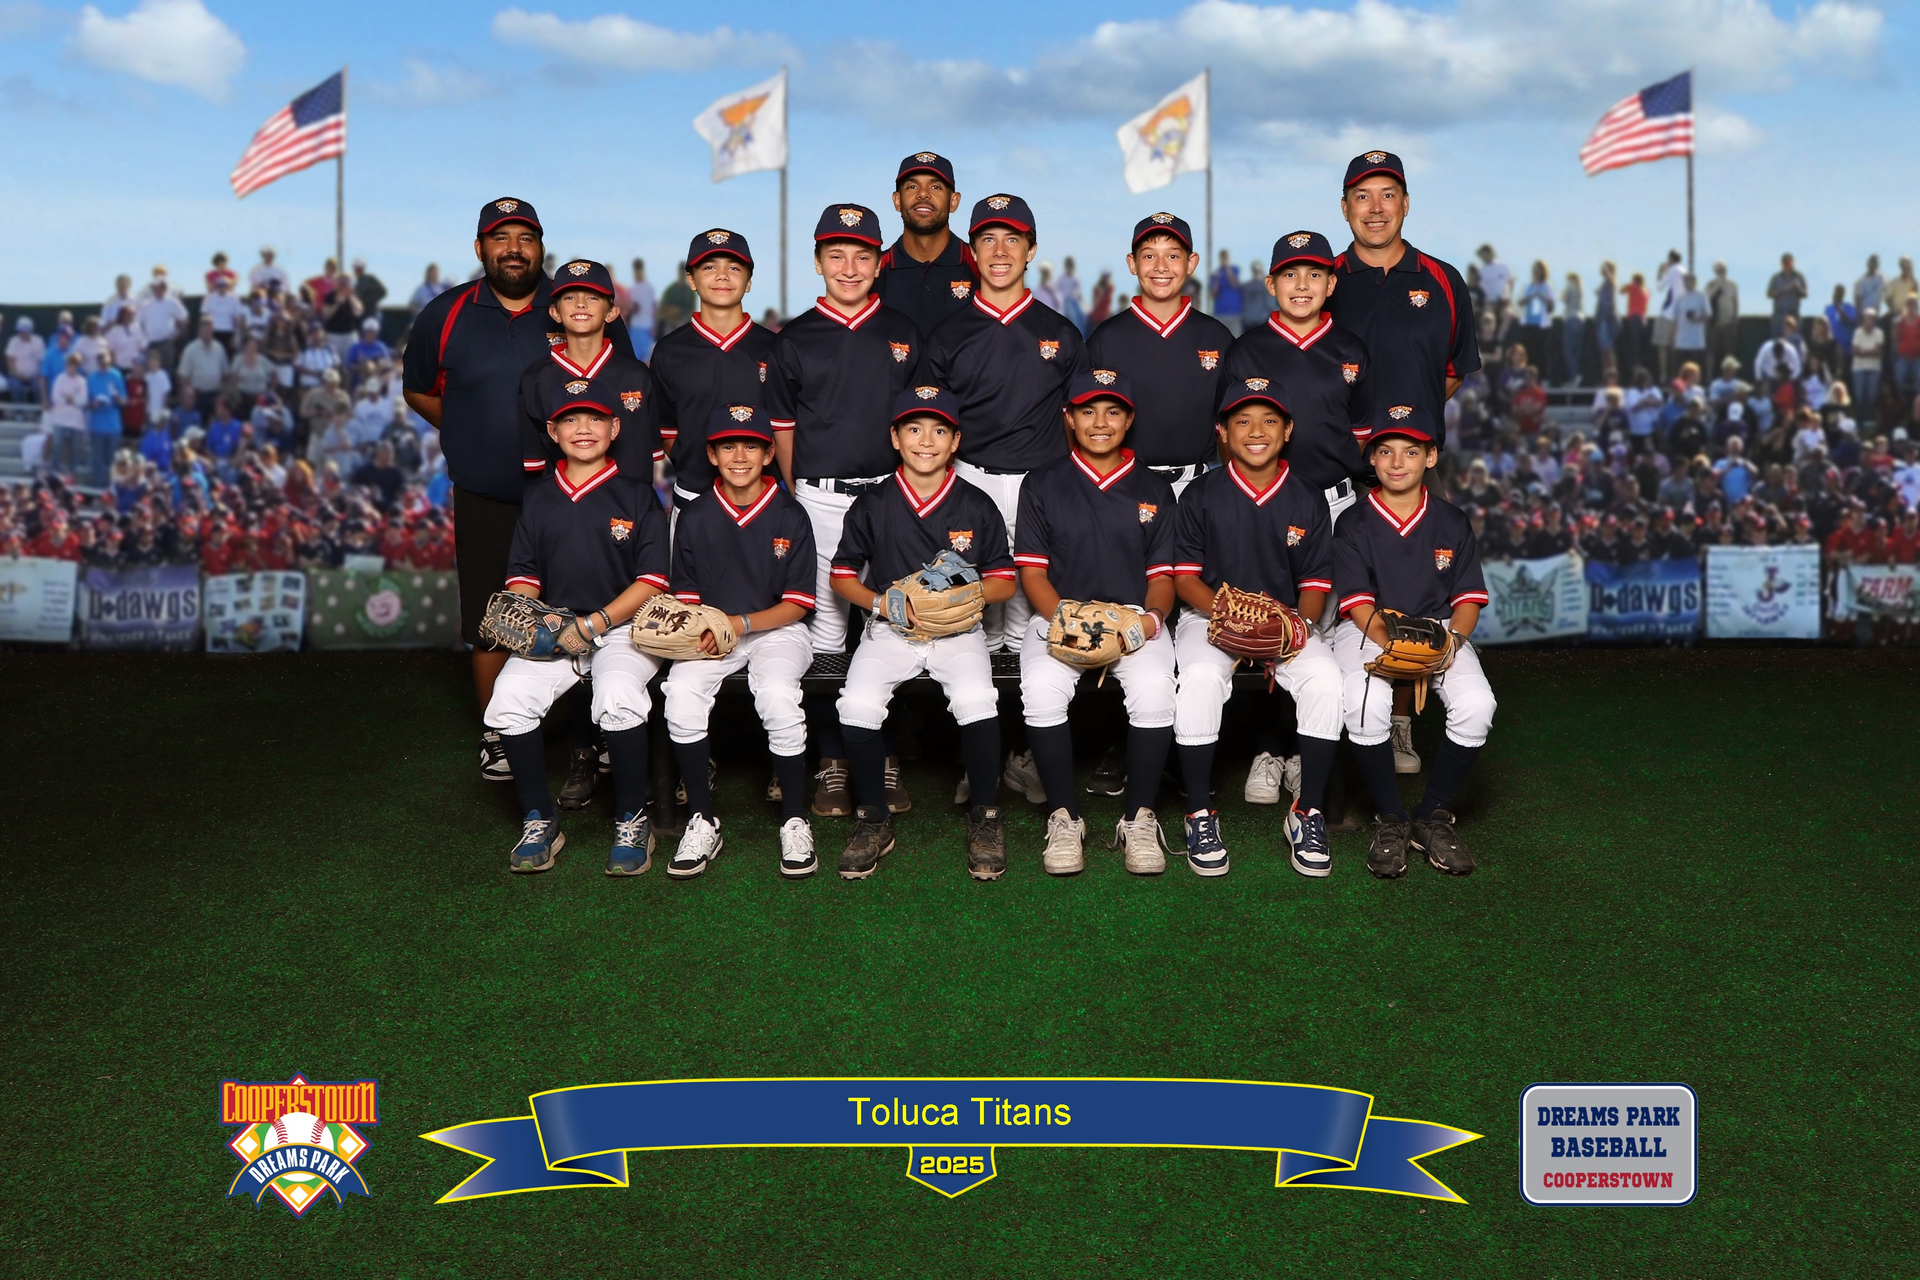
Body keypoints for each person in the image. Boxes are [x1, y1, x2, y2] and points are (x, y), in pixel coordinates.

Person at [402, 197, 634, 783]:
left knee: (583, 606)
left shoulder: (577, 305)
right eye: (499, 238)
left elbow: (619, 395)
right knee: (490, 614)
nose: (513, 248)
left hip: (570, 493)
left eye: (524, 238)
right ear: (479, 247)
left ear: (541, 247)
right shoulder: (447, 311)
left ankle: (596, 732)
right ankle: (497, 733)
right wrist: (469, 432)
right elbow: (421, 390)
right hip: (486, 494)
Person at [764, 204, 923, 815]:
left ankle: (881, 759)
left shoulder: (904, 329)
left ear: (880, 262)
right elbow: (782, 428)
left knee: (894, 626)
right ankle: (832, 759)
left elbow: (923, 422)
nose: (849, 267)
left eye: (862, 255)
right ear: (817, 261)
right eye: (836, 255)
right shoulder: (796, 336)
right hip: (821, 497)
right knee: (828, 635)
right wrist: (795, 494)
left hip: (893, 495)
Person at [1324, 149, 1479, 772]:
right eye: (1363, 196)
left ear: (1407, 203)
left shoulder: (1441, 278)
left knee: (1412, 592)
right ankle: (1314, 728)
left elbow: (1451, 372)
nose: (1376, 207)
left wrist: (1402, 436)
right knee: (1326, 596)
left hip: (1409, 465)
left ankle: (1396, 720)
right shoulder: (1324, 276)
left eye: (1388, 194)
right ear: (1344, 208)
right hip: (1333, 462)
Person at [483, 378, 672, 876]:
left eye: (593, 419)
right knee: (508, 700)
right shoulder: (540, 497)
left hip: (622, 628)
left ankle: (632, 818)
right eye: (570, 419)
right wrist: (526, 622)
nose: (582, 429)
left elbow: (653, 581)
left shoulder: (638, 495)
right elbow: (523, 579)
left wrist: (595, 623)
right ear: (552, 430)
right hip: (557, 628)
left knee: (617, 696)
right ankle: (540, 817)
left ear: (614, 428)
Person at [827, 386, 1017, 879]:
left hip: (958, 633)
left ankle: (985, 814)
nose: (925, 440)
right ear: (895, 437)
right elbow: (841, 574)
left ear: (955, 441)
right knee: (857, 705)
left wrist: (964, 598)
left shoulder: (976, 503)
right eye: (913, 429)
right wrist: (880, 602)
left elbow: (1005, 580)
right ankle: (872, 816)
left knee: (978, 699)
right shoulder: (872, 503)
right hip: (892, 630)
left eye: (938, 430)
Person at [1171, 378, 1343, 877]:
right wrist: (1230, 617)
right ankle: (1198, 812)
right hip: (1210, 618)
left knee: (1327, 681)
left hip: (1285, 623)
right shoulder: (1200, 493)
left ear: (1288, 430)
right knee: (1199, 681)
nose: (1256, 431)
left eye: (1269, 421)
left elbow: (1314, 583)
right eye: (1242, 421)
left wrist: (1296, 625)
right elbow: (1184, 579)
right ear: (1222, 432)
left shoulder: (1308, 498)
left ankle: (1306, 811)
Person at [1015, 369, 1178, 875]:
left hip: (1133, 619)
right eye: (1087, 411)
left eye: (1112, 412)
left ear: (1129, 420)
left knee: (1154, 689)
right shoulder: (1043, 482)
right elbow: (1032, 573)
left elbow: (1163, 579)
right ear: (1069, 419)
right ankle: (1065, 818)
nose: (1100, 422)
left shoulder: (1155, 487)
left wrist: (1146, 625)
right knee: (1041, 687)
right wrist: (1067, 620)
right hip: (1060, 615)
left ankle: (1139, 818)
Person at [922, 193, 1089, 659]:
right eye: (987, 240)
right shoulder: (948, 336)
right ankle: (983, 727)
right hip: (971, 480)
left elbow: (1085, 422)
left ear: (1031, 250)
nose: (1000, 252)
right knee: (970, 622)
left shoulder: (1063, 333)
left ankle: (1029, 727)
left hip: (1044, 483)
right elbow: (930, 430)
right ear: (971, 252)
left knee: (1032, 627)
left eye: (1012, 239)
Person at [1331, 405, 1494, 877]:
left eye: (1410, 451)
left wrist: (1451, 642)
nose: (1397, 461)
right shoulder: (1354, 522)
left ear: (1431, 457)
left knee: (1478, 705)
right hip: (1368, 629)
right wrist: (1395, 646)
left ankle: (1433, 813)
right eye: (1385, 451)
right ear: (1373, 461)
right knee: (1365, 703)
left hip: (1440, 627)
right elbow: (1359, 604)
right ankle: (1391, 816)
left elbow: (1467, 600)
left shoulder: (1451, 520)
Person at [661, 406, 819, 879]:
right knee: (680, 696)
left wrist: (739, 623)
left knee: (776, 696)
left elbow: (798, 604)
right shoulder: (694, 515)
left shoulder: (790, 513)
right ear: (711, 454)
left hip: (777, 630)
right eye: (728, 446)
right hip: (711, 630)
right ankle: (702, 819)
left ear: (769, 451)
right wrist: (704, 629)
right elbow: (687, 598)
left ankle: (795, 818)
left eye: (751, 445)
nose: (740, 456)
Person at [1088, 212, 1233, 495]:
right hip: (1124, 486)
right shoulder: (1107, 338)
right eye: (1149, 256)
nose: (1161, 267)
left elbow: (1230, 424)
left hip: (1199, 485)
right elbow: (1082, 423)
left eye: (1173, 256)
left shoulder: (1217, 337)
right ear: (1132, 264)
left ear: (1191, 263)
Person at [649, 230, 774, 519]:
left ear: (749, 281)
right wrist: (694, 465)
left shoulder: (774, 347)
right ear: (691, 280)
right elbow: (666, 429)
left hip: (763, 501)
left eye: (733, 267)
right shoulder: (670, 350)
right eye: (709, 267)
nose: (722, 276)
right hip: (693, 496)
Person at [517, 259, 660, 483]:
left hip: (631, 511)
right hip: (564, 510)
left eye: (592, 297)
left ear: (612, 312)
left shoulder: (637, 375)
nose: (580, 304)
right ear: (555, 312)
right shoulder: (536, 378)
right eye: (570, 297)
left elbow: (649, 453)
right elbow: (536, 463)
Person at [874, 152, 975, 339]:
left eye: (936, 187)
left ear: (954, 201)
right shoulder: (872, 272)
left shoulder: (980, 267)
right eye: (912, 186)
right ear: (897, 200)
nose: (922, 194)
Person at [84, 348, 125, 488]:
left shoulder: (116, 376)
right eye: (101, 362)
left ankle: (111, 489)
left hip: (113, 425)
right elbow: (86, 403)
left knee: (111, 460)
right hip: (97, 426)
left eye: (105, 362)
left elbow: (124, 401)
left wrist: (117, 398)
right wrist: (93, 404)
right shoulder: (91, 378)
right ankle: (96, 489)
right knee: (97, 460)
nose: (103, 365)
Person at [176, 318, 229, 418]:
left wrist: (222, 394)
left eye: (210, 329)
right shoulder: (190, 349)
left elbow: (225, 374)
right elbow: (183, 375)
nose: (207, 331)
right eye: (205, 329)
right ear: (200, 330)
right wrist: (188, 396)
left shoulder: (219, 348)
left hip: (215, 395)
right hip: (197, 396)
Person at [47, 350, 89, 476]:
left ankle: (72, 473)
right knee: (58, 443)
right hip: (60, 419)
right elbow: (55, 397)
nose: (71, 368)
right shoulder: (60, 379)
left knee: (75, 448)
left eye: (74, 365)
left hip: (76, 421)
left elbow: (83, 400)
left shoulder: (82, 381)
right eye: (69, 365)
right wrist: (70, 399)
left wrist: (70, 399)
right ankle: (54, 471)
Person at [136, 276, 188, 369]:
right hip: (150, 344)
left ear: (165, 288)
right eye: (156, 287)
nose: (158, 290)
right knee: (151, 372)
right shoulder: (146, 304)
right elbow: (138, 323)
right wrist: (143, 341)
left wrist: (176, 334)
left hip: (166, 343)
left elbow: (184, 318)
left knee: (167, 371)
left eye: (161, 287)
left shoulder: (172, 302)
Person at [1705, 262, 1740, 374]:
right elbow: (1706, 298)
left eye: (1722, 269)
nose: (1721, 272)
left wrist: (1735, 319)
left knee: (1728, 352)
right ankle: (1708, 377)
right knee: (1710, 352)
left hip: (1728, 323)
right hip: (1713, 323)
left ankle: (1729, 375)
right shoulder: (1710, 284)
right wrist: (1718, 285)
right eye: (1719, 269)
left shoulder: (1732, 285)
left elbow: (1735, 303)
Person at [1672, 274, 1710, 377]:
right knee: (1680, 368)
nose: (1687, 283)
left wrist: (1697, 317)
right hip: (1682, 341)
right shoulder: (1680, 297)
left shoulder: (1701, 296)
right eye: (1686, 281)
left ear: (1694, 282)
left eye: (1690, 281)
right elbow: (1675, 318)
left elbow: (1708, 315)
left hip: (1696, 341)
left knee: (1697, 366)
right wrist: (1673, 337)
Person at [1768, 253, 1808, 338]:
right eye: (1786, 263)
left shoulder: (1799, 276)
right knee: (1777, 338)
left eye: (1790, 262)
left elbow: (1805, 294)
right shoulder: (1776, 278)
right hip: (1780, 314)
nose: (1788, 265)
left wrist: (1797, 288)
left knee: (1795, 338)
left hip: (1794, 313)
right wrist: (1784, 289)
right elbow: (1769, 294)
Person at [6, 317, 44, 403]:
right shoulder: (13, 341)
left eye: (24, 331)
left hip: (35, 376)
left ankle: (38, 413)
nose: (21, 333)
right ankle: (19, 413)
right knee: (16, 387)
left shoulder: (38, 341)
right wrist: (18, 374)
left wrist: (38, 374)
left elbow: (41, 362)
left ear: (30, 331)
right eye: (20, 331)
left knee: (39, 387)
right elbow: (10, 361)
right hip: (17, 376)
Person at [1208, 251, 1244, 336]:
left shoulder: (1234, 270)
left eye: (1225, 257)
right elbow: (1213, 295)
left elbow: (1236, 285)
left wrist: (1228, 271)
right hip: (1220, 313)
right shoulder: (1216, 274)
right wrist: (1216, 282)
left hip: (1234, 312)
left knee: (1236, 340)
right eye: (1222, 257)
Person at [1560, 271, 1585, 385]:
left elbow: (1564, 299)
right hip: (1580, 319)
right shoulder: (1580, 289)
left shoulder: (1570, 286)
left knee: (1568, 350)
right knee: (1576, 351)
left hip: (1571, 319)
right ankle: (1578, 374)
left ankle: (1573, 376)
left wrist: (1562, 293)